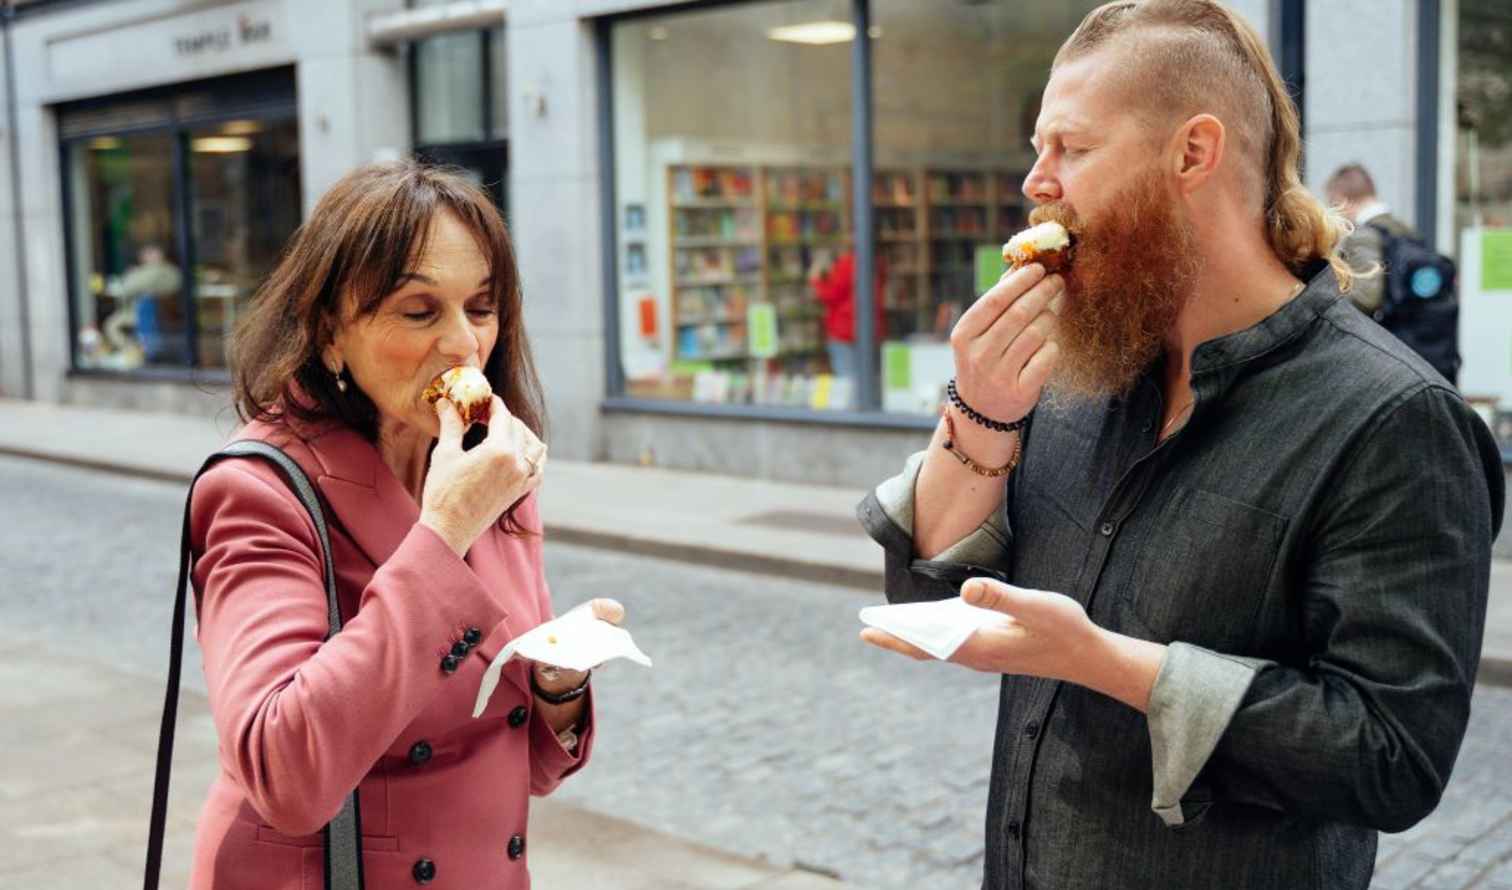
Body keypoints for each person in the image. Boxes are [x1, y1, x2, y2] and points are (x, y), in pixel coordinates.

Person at [856, 3, 1504, 889]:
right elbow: (918, 589)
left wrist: (1102, 663)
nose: (1035, 183)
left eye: (1072, 150)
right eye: (1037, 149)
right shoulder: (1083, 367)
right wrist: (984, 411)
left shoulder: (1393, 419)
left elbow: (1392, 760)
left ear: (1192, 154)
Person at [187, 161, 623, 889]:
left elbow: (519, 760)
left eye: (480, 308)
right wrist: (445, 531)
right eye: (420, 312)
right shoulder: (261, 491)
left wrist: (557, 686)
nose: (462, 345)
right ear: (330, 332)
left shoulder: (489, 461)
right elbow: (284, 773)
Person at [1323, 163, 1414, 316]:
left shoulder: (1364, 236)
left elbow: (1366, 297)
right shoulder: (1404, 229)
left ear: (1342, 199)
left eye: (1333, 204)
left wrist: (1325, 300)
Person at [102, 243, 183, 364]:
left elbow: (126, 289)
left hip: (146, 314)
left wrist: (131, 275)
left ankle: (133, 351)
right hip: (161, 315)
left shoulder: (150, 271)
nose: (146, 256)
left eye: (149, 253)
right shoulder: (172, 271)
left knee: (111, 325)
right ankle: (134, 350)